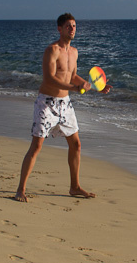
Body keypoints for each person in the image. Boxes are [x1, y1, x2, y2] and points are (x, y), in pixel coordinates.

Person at [15, 13, 108, 202]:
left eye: (74, 26)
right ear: (59, 29)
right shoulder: (52, 50)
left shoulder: (74, 52)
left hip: (65, 104)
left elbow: (72, 76)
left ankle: (75, 187)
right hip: (46, 104)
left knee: (76, 144)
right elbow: (49, 78)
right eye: (68, 26)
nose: (72, 29)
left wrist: (96, 87)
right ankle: (20, 189)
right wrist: (75, 88)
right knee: (36, 146)